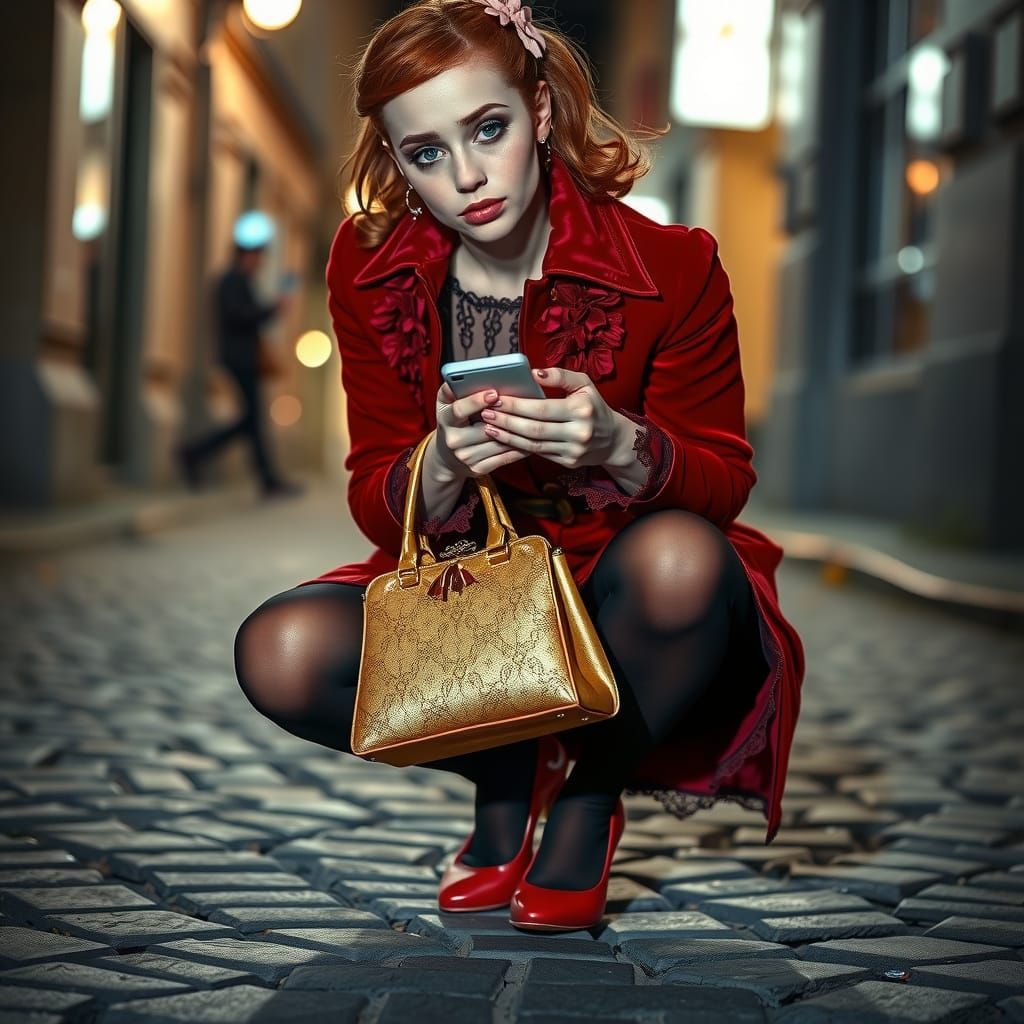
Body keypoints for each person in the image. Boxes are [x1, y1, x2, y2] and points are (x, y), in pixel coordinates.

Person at [233, 0, 806, 932]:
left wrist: (622, 445)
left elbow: (725, 483)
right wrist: (444, 464)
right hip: (468, 588)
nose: (466, 177)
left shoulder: (675, 265)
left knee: (681, 562)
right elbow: (376, 491)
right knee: (281, 653)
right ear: (396, 158)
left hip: (625, 589)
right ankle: (507, 766)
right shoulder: (368, 264)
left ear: (539, 111)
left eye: (487, 129)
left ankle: (588, 794)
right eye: (426, 154)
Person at [177, 210, 303, 499]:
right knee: (252, 421)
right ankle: (196, 454)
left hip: (243, 359)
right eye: (258, 256)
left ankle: (197, 456)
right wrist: (274, 308)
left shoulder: (238, 281)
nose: (260, 263)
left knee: (251, 421)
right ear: (246, 255)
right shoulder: (232, 281)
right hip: (240, 360)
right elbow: (242, 317)